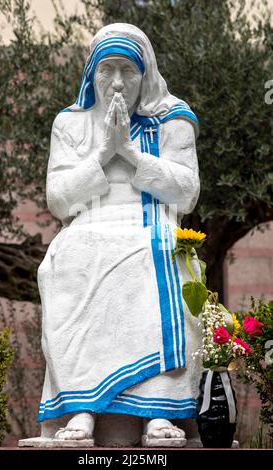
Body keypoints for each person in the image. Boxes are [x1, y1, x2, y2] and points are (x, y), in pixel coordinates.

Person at [37, 23, 201, 447]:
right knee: (69, 262)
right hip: (88, 228)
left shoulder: (172, 119)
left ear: (145, 73)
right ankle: (82, 409)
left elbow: (186, 194)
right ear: (91, 73)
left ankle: (158, 412)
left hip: (151, 230)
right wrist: (103, 151)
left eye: (127, 70)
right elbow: (58, 201)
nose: (116, 82)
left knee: (161, 259)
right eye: (106, 69)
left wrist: (130, 153)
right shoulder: (70, 124)